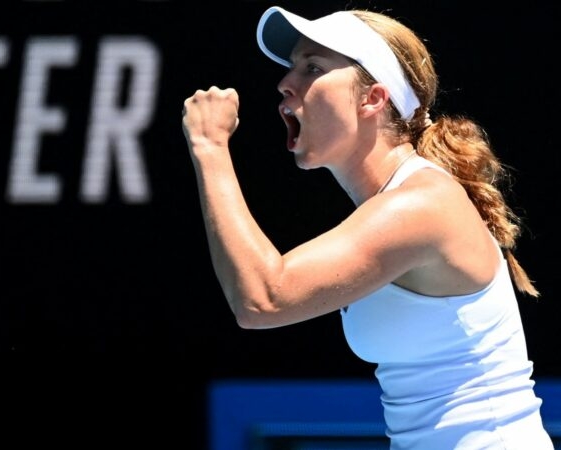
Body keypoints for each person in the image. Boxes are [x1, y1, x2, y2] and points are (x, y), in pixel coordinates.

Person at [182, 5, 554, 449]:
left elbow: (263, 298)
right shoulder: (397, 204)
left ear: (372, 98)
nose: (285, 82)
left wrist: (209, 147)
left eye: (312, 68)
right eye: (292, 68)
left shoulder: (422, 204)